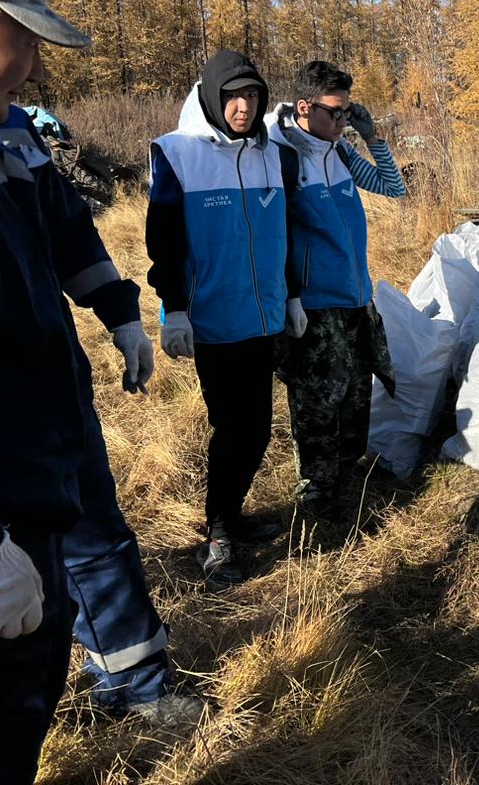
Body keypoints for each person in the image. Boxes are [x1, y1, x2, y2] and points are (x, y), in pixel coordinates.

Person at [0, 0, 191, 785]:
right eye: (21, 38)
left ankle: (131, 679)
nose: (33, 68)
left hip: (51, 412)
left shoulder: (16, 138)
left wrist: (120, 316)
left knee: (95, 540)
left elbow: (69, 232)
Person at [146, 49, 288, 585]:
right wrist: (174, 309)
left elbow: (283, 234)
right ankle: (218, 534)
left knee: (255, 430)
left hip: (264, 316)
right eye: (232, 96)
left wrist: (290, 299)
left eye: (252, 95)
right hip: (212, 318)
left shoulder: (270, 154)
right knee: (235, 429)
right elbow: (164, 242)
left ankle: (232, 515)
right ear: (211, 96)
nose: (243, 107)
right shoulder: (178, 155)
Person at [267, 60, 402, 517]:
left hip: (356, 298)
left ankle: (347, 480)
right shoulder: (283, 156)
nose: (343, 120)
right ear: (304, 107)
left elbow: (393, 187)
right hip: (314, 305)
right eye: (336, 112)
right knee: (316, 404)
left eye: (348, 112)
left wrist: (373, 137)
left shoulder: (339, 152)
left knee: (356, 398)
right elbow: (274, 235)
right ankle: (316, 495)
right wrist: (289, 298)